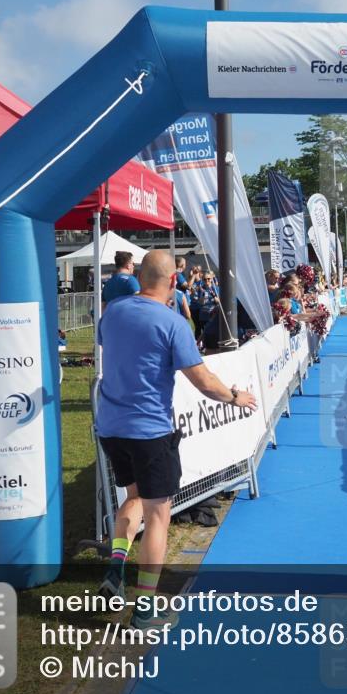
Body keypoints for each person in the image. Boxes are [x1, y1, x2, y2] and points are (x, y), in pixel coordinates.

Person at [96, 250, 257, 629]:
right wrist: (236, 397)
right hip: (150, 431)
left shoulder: (113, 312)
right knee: (158, 516)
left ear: (140, 278)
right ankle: (145, 607)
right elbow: (203, 381)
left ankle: (117, 567)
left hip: (111, 426)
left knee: (133, 498)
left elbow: (112, 349)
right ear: (172, 282)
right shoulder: (171, 323)